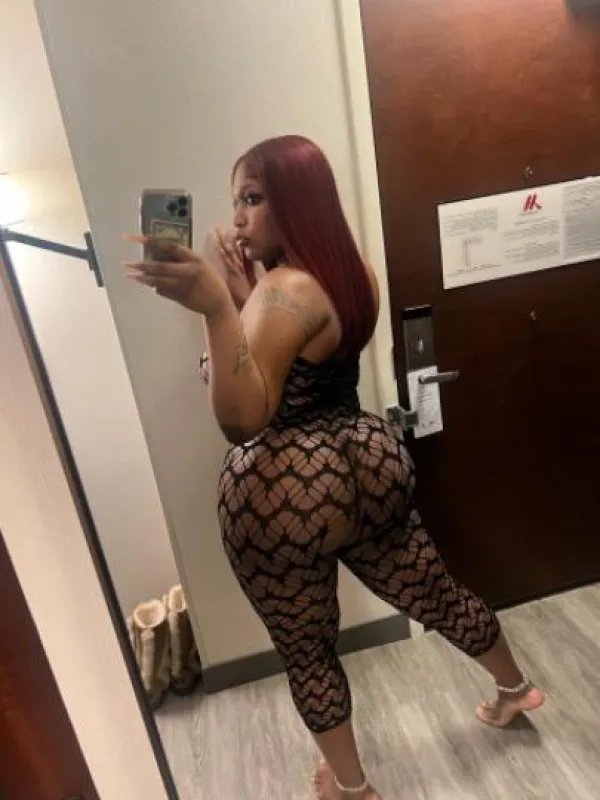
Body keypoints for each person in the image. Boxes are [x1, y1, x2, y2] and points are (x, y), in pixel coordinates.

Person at [125, 135, 544, 800]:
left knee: (309, 649)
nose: (237, 218)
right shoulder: (352, 274)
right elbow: (302, 349)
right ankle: (515, 687)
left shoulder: (281, 290)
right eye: (236, 201)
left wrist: (217, 309)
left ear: (298, 201)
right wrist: (244, 297)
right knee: (437, 593)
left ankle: (350, 787)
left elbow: (242, 418)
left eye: (253, 198)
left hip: (287, 491)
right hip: (366, 462)